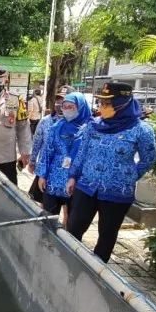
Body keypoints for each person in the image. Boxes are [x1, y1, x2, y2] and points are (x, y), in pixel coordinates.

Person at [65, 82, 156, 263]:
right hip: (86, 187)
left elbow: (149, 158)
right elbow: (82, 153)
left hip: (117, 193)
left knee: (106, 235)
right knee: (74, 228)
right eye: (102, 103)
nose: (103, 107)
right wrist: (73, 177)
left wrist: (128, 176)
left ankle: (97, 272)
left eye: (108, 103)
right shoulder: (94, 125)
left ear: (123, 103)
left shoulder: (141, 130)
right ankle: (67, 262)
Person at [36, 92, 92, 222]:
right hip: (53, 180)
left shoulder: (90, 129)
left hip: (76, 182)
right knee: (48, 220)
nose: (67, 110)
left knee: (73, 222)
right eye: (64, 107)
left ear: (81, 107)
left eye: (71, 107)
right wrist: (42, 175)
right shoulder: (57, 127)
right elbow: (47, 152)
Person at [27, 86, 74, 204]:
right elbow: (37, 143)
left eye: (63, 100)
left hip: (69, 173)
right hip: (47, 169)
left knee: (68, 207)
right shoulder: (46, 121)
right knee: (45, 204)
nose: (59, 104)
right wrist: (32, 162)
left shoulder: (78, 125)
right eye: (57, 100)